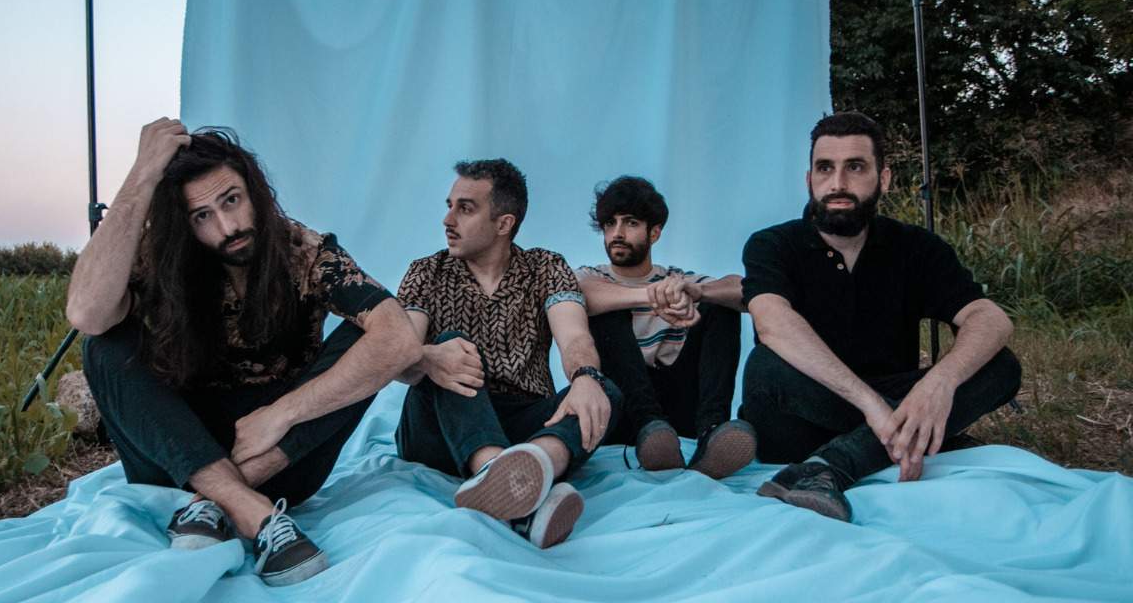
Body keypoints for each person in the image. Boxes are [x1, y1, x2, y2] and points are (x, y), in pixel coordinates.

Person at [67, 120, 420, 586]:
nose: (227, 226)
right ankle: (246, 510)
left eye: (231, 200)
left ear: (254, 190)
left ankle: (212, 505)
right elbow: (87, 314)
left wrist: (283, 414)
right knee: (104, 343)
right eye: (201, 216)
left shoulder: (303, 250)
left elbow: (398, 338)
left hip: (283, 456)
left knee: (371, 336)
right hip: (176, 458)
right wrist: (142, 175)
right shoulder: (161, 256)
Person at [740, 112, 1022, 522]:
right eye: (825, 168)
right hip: (801, 418)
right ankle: (909, 440)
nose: (838, 183)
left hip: (890, 401)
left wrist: (940, 383)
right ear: (809, 179)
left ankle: (831, 466)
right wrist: (872, 406)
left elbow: (989, 317)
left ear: (884, 178)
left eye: (855, 167)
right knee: (766, 365)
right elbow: (771, 321)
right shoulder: (773, 244)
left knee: (1001, 365)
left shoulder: (916, 247)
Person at [393, 159, 623, 549]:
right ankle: (502, 476)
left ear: (504, 223)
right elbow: (402, 359)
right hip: (439, 425)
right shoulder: (426, 272)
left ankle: (536, 466)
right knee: (452, 345)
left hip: (522, 420)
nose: (448, 220)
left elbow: (574, 336)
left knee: (604, 391)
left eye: (465, 208)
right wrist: (431, 357)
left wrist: (585, 377)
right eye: (449, 206)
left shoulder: (545, 267)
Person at [577, 176, 756, 476]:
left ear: (655, 232)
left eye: (631, 223)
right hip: (622, 409)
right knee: (602, 311)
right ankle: (650, 431)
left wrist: (697, 291)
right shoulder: (590, 276)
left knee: (720, 305)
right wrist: (653, 296)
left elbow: (746, 291)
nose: (617, 233)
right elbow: (582, 295)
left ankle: (712, 432)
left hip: (678, 407)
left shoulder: (676, 279)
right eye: (610, 223)